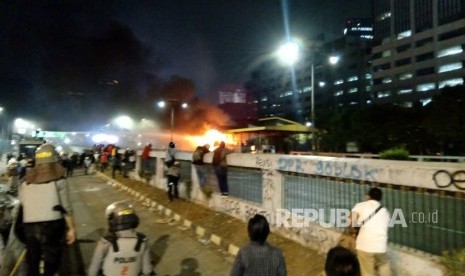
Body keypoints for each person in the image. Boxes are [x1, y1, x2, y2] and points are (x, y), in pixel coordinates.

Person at [18, 143, 76, 275]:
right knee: (52, 260)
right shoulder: (60, 180)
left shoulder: (26, 180)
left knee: (33, 262)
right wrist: (72, 229)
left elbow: (22, 203)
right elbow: (66, 207)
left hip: (29, 226)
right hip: (52, 225)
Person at [88, 201, 154, 276]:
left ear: (113, 220)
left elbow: (93, 270)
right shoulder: (142, 240)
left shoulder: (105, 242)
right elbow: (147, 270)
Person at [350, 187, 391, 276]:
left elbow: (351, 221)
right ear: (380, 198)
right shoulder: (385, 212)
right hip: (381, 246)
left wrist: (353, 232)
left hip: (364, 246)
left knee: (367, 272)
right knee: (384, 265)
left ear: (368, 196)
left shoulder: (360, 206)